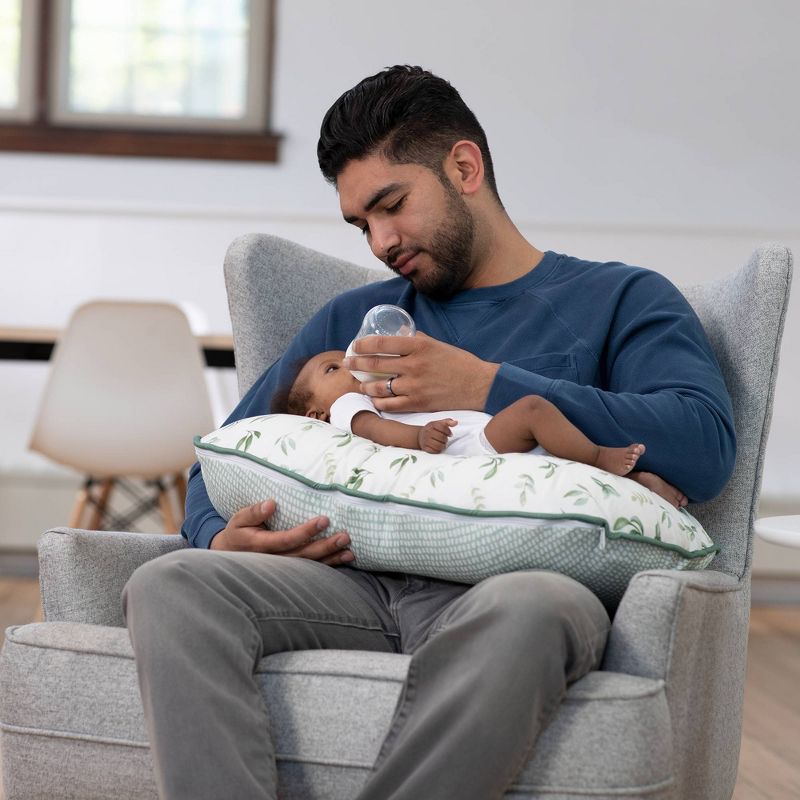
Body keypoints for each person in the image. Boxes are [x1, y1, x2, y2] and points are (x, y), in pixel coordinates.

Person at [123, 65, 735, 800]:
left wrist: (485, 384)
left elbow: (703, 442)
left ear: (464, 167)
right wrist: (220, 537)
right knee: (173, 583)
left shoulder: (619, 298)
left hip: (514, 589)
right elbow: (218, 460)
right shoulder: (347, 323)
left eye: (392, 205)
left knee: (534, 609)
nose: (381, 241)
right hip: (346, 584)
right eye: (361, 224)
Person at [287, 347, 653, 482]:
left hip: (474, 438)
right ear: (316, 414)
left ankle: (636, 483)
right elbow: (375, 431)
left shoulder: (375, 396)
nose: (350, 364)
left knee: (557, 456)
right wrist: (417, 437)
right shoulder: (345, 409)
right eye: (333, 369)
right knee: (533, 409)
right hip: (469, 447)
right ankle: (600, 457)